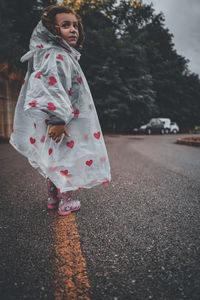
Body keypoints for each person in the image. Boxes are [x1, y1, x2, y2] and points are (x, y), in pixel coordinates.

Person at [10, 5, 111, 216]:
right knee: (67, 158)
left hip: (60, 119)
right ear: (51, 31)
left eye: (75, 25)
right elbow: (52, 88)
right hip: (64, 121)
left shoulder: (53, 54)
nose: (73, 29)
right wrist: (58, 119)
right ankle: (65, 202)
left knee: (56, 158)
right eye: (66, 25)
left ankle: (53, 199)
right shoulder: (57, 55)